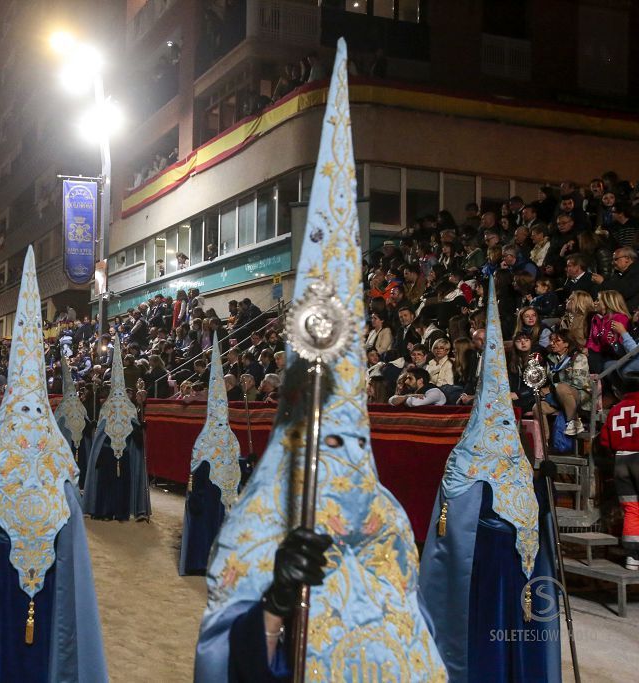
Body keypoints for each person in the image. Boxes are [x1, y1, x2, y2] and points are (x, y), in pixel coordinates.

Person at [195, 43, 445, 681]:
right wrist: (276, 606)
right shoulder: (259, 517)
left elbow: (416, 634)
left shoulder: (384, 515)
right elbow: (223, 658)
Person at [0, 247, 106, 680]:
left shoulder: (58, 458)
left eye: (37, 411)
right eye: (23, 410)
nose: (31, 421)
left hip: (50, 587)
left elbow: (73, 541)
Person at [418, 278, 560, 681]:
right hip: (480, 573)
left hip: (512, 572)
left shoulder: (486, 463)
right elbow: (449, 531)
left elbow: (535, 526)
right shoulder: (464, 461)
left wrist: (542, 490)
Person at [180, 334, 241, 576]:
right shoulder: (203, 440)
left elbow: (235, 464)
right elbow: (196, 468)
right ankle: (202, 559)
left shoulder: (231, 438)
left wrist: (246, 465)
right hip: (207, 494)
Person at [82, 335, 151, 521]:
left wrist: (139, 428)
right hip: (107, 453)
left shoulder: (129, 408)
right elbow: (101, 432)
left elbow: (135, 432)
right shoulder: (107, 408)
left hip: (125, 452)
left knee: (123, 484)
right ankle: (104, 510)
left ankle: (122, 511)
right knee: (106, 483)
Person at [600, 390, 639, 569]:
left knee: (631, 508)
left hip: (620, 460)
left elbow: (605, 442)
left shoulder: (616, 409)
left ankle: (632, 557)